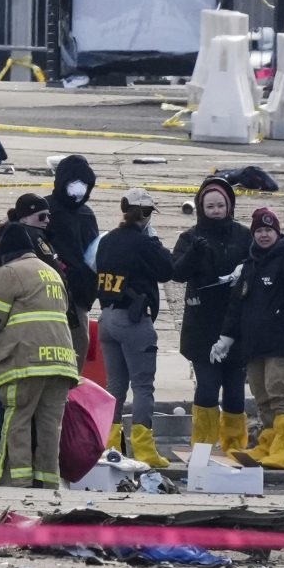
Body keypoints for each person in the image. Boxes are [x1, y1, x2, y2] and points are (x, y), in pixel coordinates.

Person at [0, 218, 80, 488]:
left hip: (26, 361)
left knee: (17, 418)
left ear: (5, 252)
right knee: (50, 426)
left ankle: (17, 481)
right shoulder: (51, 272)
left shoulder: (11, 273)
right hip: (61, 362)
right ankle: (47, 482)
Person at [209, 208, 284, 469]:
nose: (264, 235)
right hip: (253, 344)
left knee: (277, 390)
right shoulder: (250, 264)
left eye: (269, 230)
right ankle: (268, 442)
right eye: (259, 231)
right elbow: (236, 305)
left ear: (277, 232)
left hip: (279, 343)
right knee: (261, 394)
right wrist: (226, 338)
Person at [94, 187, 175, 468]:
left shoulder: (107, 240)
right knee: (142, 386)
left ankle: (110, 446)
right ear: (146, 214)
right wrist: (155, 243)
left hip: (106, 318)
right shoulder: (143, 243)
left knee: (115, 387)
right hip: (132, 320)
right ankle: (143, 449)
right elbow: (167, 270)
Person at [172, 176, 252, 456]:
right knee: (207, 388)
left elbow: (260, 263)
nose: (216, 211)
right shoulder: (189, 238)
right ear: (201, 208)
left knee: (235, 391)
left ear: (229, 207)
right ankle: (203, 449)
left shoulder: (244, 236)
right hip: (202, 328)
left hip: (236, 327)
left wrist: (245, 271)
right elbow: (176, 273)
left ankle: (234, 447)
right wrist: (194, 254)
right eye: (210, 206)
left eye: (221, 205)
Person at [43, 155, 101, 370]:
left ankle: (71, 386)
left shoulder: (86, 215)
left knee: (77, 347)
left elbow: (94, 255)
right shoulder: (45, 210)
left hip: (78, 297)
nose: (79, 189)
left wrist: (89, 291)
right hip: (47, 292)